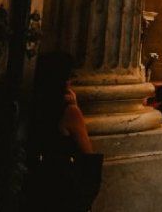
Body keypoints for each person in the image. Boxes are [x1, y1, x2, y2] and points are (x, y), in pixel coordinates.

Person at [24, 52, 98, 212]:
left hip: (34, 186)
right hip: (61, 188)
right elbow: (88, 157)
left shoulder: (31, 105)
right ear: (63, 80)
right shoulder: (69, 112)